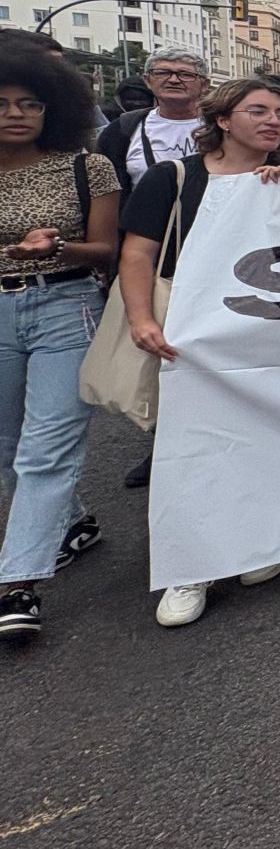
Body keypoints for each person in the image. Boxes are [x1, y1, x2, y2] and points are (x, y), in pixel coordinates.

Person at [122, 80, 280, 626]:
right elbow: (138, 253)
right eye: (257, 110)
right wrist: (141, 317)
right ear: (223, 119)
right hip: (189, 333)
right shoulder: (174, 177)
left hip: (269, 334)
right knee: (193, 445)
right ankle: (190, 567)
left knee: (265, 436)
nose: (274, 121)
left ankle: (254, 543)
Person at [0, 51, 122, 638]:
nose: (16, 114)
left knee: (45, 446)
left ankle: (18, 585)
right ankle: (71, 525)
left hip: (65, 305)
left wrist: (58, 250)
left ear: (53, 109)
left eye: (29, 103)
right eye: (1, 104)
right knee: (6, 444)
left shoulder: (87, 168)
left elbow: (107, 250)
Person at [95, 47, 212, 192]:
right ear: (147, 81)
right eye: (162, 73)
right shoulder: (121, 130)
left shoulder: (226, 127)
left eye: (185, 74)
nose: (173, 80)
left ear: (204, 84)